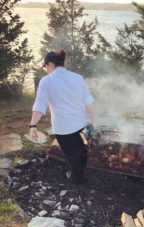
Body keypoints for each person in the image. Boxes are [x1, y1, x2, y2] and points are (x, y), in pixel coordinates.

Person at [29, 49, 97, 184]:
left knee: (71, 153)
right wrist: (95, 122)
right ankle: (82, 166)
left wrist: (33, 125)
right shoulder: (77, 77)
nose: (45, 69)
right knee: (79, 146)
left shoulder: (46, 81)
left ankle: (79, 180)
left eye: (45, 66)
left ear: (50, 64)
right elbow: (88, 102)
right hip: (79, 123)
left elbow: (39, 105)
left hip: (62, 127)